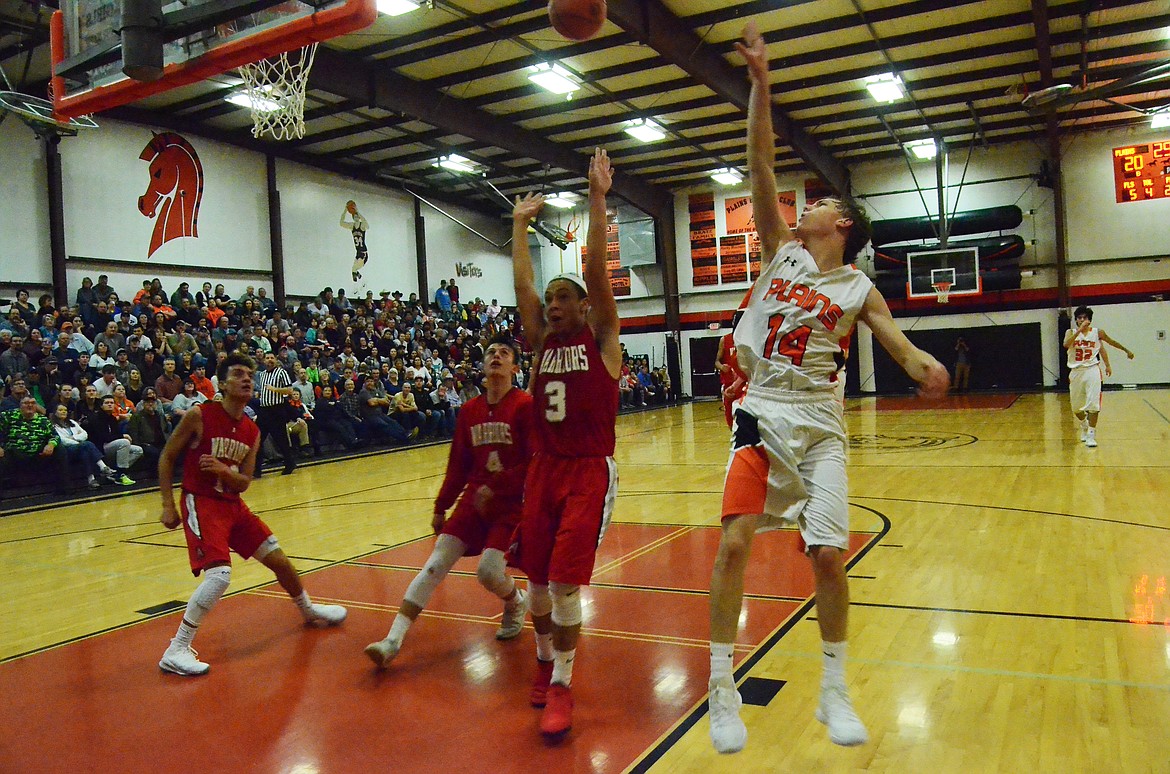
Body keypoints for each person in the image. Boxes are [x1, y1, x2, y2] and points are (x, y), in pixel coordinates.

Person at [703, 24, 951, 755]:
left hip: (817, 421)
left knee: (828, 555)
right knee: (733, 547)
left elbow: (899, 346)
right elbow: (758, 155)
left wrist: (925, 369)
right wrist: (760, 84)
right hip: (759, 414)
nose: (802, 204)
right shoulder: (782, 249)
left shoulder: (857, 284)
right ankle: (722, 691)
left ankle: (833, 691)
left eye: (817, 202)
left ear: (840, 223)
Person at [509, 148, 622, 738]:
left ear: (583, 306)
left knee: (564, 583)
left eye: (563, 298)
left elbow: (599, 269)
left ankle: (563, 687)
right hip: (542, 468)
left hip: (586, 471)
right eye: (549, 300)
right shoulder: (540, 341)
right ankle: (543, 660)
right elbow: (523, 282)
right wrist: (519, 225)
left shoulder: (602, 336)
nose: (552, 305)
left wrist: (598, 197)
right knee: (536, 581)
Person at [156, 352, 347, 676]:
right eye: (239, 374)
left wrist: (222, 471)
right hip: (201, 502)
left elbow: (244, 482)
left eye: (250, 374)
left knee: (279, 560)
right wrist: (167, 504)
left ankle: (307, 609)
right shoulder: (199, 415)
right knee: (219, 576)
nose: (247, 379)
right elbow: (166, 457)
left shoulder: (251, 430)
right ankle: (176, 648)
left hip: (233, 505)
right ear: (224, 383)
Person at [365, 336, 535, 668]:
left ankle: (515, 601)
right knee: (434, 564)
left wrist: (498, 485)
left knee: (488, 573)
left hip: (511, 505)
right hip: (474, 501)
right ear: (483, 366)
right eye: (490, 353)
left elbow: (535, 462)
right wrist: (441, 505)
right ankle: (392, 640)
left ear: (515, 366)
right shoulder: (469, 410)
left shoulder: (525, 406)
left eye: (504, 353)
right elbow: (458, 463)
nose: (496, 357)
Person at [1063, 306, 1134, 447]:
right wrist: (1079, 330)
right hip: (1076, 371)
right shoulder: (1070, 332)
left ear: (1089, 319)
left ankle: (1091, 434)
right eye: (1079, 318)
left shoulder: (1097, 333)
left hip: (1092, 370)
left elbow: (1109, 344)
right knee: (1076, 408)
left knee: (1093, 403)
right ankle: (1084, 425)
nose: (1082, 320)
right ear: (1076, 320)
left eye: (1084, 317)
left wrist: (1125, 351)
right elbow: (1066, 344)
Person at [51, 403, 121, 489]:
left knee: (85, 452)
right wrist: (79, 442)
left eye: (65, 410)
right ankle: (103, 467)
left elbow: (85, 434)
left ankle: (91, 480)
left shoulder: (72, 422)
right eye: (60, 410)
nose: (63, 412)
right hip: (66, 451)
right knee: (87, 444)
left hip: (80, 448)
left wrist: (74, 438)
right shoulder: (53, 426)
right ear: (55, 412)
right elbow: (62, 440)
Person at [253, 352, 297, 476]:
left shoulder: (281, 372)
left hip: (276, 410)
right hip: (263, 410)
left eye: (272, 358)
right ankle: (256, 469)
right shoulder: (262, 375)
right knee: (257, 440)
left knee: (280, 439)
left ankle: (290, 463)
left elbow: (289, 390)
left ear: (276, 360)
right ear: (264, 361)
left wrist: (275, 389)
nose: (270, 360)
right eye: (267, 358)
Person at [715, 311, 748, 428]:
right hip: (728, 383)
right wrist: (722, 367)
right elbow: (716, 362)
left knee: (744, 420)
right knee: (729, 419)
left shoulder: (749, 341)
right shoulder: (725, 340)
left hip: (744, 386)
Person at [340, 200, 370, 284]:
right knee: (353, 270)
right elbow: (341, 223)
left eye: (357, 216)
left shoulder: (362, 226)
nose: (356, 217)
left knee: (354, 270)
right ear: (352, 217)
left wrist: (358, 212)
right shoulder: (352, 226)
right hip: (358, 252)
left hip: (363, 253)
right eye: (354, 216)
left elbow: (368, 226)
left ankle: (358, 276)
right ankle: (359, 277)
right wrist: (345, 211)